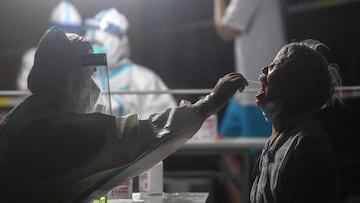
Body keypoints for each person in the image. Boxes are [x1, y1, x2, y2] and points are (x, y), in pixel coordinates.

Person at [0, 27, 248, 203]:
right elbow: (137, 136)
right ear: (67, 80)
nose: (95, 90)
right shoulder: (52, 129)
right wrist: (208, 104)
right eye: (87, 79)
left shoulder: (28, 115)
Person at [250, 39, 342, 203]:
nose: (264, 69)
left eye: (275, 65)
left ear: (292, 86)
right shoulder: (279, 139)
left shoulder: (305, 145)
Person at [213, 0, 286, 202]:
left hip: (261, 90)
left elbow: (225, 31)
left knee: (262, 159)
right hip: (245, 92)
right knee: (225, 150)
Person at [84, 8, 177, 119]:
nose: (95, 49)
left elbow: (163, 121)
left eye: (100, 44)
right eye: (92, 44)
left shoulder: (143, 79)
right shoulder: (80, 77)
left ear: (119, 44)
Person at [17, 0, 83, 91]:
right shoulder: (32, 57)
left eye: (73, 33)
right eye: (63, 33)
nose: (67, 38)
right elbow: (23, 89)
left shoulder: (82, 60)